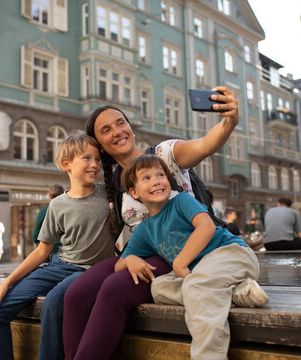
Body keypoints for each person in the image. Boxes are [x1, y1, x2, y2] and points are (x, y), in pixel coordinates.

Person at [63, 86, 239, 360]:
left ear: (131, 127)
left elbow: (205, 144)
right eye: (106, 129)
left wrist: (229, 121)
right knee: (75, 295)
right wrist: (128, 258)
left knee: (114, 288)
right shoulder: (117, 179)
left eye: (121, 123)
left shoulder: (164, 153)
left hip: (178, 249)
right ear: (100, 143)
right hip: (140, 249)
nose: (117, 131)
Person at [116, 155, 269, 358]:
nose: (156, 181)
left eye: (161, 175)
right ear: (133, 192)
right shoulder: (145, 230)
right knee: (159, 288)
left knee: (196, 286)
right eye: (146, 178)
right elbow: (118, 266)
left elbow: (206, 226)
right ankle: (236, 293)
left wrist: (180, 261)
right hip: (202, 275)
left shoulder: (181, 201)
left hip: (231, 253)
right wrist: (131, 259)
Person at [0, 133, 115, 360]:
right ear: (67, 164)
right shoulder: (57, 204)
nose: (95, 165)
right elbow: (43, 250)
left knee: (54, 302)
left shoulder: (108, 195)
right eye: (86, 158)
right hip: (58, 265)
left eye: (97, 160)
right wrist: (7, 282)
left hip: (91, 271)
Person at [32, 184, 65, 254]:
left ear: (49, 195)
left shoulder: (44, 211)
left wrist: (38, 243)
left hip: (47, 250)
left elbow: (35, 234)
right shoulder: (67, 210)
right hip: (64, 250)